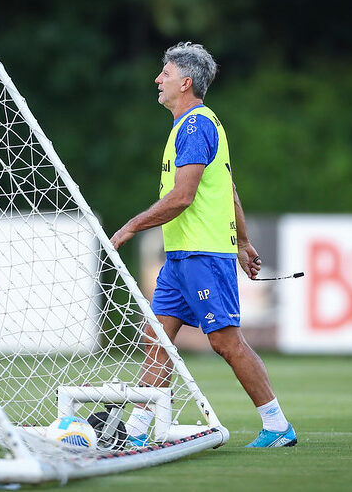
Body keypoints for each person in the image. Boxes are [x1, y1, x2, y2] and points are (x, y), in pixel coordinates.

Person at [110, 42, 296, 448]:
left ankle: (278, 426)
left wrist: (130, 227)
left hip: (203, 255)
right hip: (181, 257)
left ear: (186, 81)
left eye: (166, 72)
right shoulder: (189, 126)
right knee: (156, 339)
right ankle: (137, 433)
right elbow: (227, 190)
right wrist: (245, 242)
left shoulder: (195, 126)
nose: (158, 79)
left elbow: (183, 197)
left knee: (226, 342)